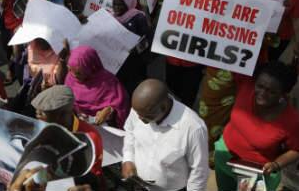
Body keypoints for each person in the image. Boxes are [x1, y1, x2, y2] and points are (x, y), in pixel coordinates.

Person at [214, 61, 299, 191]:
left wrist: (276, 164)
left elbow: (296, 149)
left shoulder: (291, 120)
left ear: (283, 94)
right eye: (260, 86)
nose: (262, 93)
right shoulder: (246, 84)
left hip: (256, 172)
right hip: (224, 157)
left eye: (271, 92)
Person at [122, 79, 209, 191]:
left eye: (146, 116)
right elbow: (129, 132)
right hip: (138, 185)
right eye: (137, 113)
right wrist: (128, 159)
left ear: (163, 107)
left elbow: (199, 171)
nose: (139, 118)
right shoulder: (141, 109)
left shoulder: (193, 127)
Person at [31, 85, 104, 189]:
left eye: (41, 113)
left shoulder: (90, 138)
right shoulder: (46, 127)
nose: (37, 117)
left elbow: (90, 177)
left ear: (61, 115)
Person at [64, 46, 130, 128]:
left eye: (78, 73)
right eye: (70, 69)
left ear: (90, 68)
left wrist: (109, 110)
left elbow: (122, 105)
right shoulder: (70, 79)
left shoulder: (108, 81)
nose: (73, 75)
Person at [112, 0, 149, 96]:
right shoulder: (110, 17)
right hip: (118, 64)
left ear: (128, 3)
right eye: (115, 4)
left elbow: (147, 39)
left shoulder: (138, 18)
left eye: (120, 4)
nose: (116, 8)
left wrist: (136, 49)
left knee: (136, 89)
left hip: (135, 62)